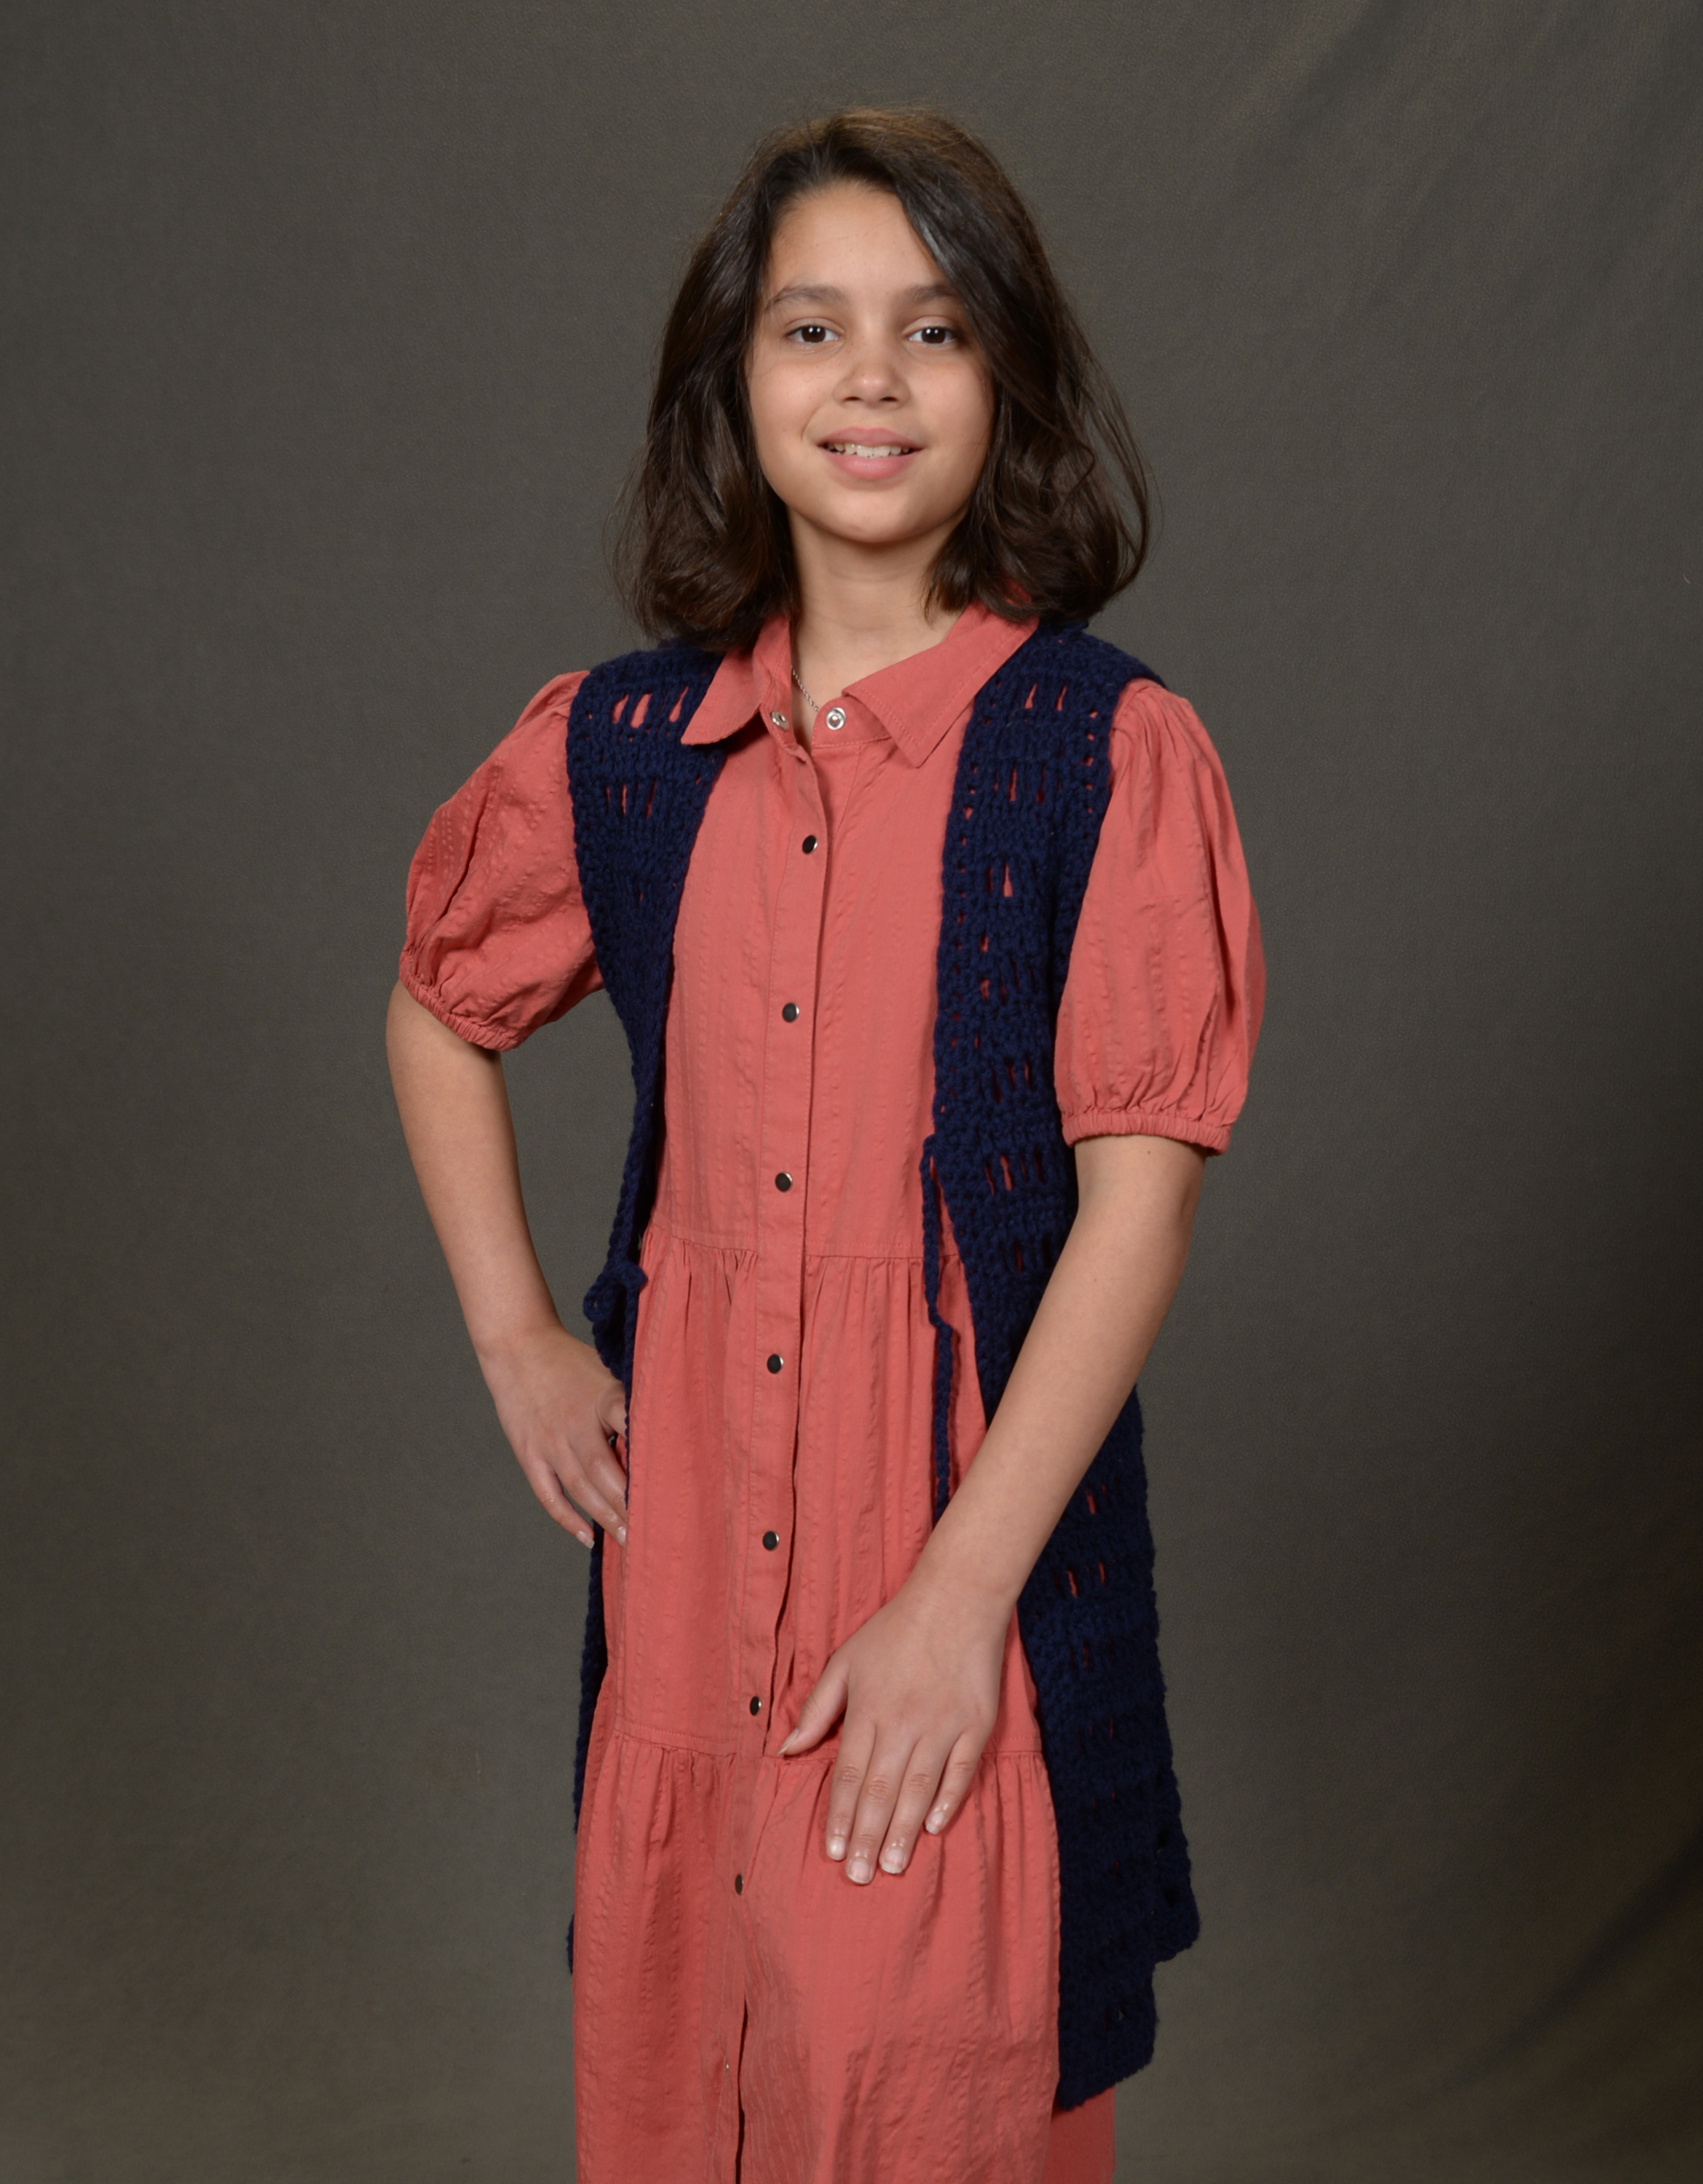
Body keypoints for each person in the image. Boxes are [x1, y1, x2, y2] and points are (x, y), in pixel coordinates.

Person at [387, 107, 1263, 2184]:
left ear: (1008, 381)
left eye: (933, 330)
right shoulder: (621, 750)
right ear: (735, 384)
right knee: (682, 2088)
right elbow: (439, 1000)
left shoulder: (1101, 753)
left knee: (928, 2083)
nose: (871, 380)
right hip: (688, 1586)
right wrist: (517, 1334)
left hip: (951, 1545)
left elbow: (1136, 1206)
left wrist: (961, 1603)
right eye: (812, 328)